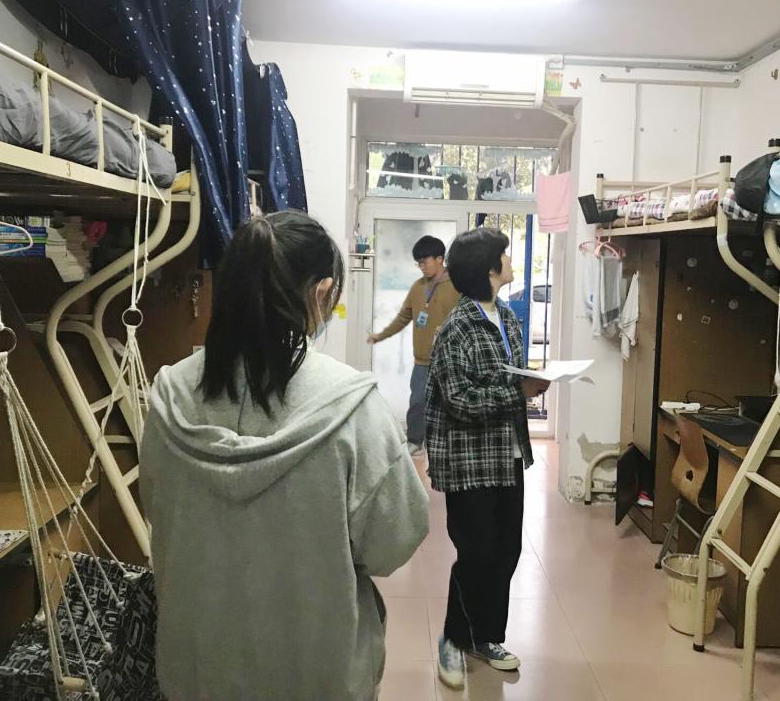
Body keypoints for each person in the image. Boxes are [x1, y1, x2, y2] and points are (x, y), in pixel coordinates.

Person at [140, 211, 429, 701]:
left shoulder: (170, 395)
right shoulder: (352, 406)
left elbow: (158, 508)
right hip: (316, 673)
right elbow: (392, 543)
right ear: (320, 293)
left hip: (197, 669)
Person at [424, 227, 551, 690]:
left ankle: (486, 637)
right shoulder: (455, 330)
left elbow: (509, 377)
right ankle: (453, 639)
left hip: (507, 454)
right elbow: (460, 400)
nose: (511, 262)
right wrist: (518, 392)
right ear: (489, 269)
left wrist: (533, 381)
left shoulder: (509, 318)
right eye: (505, 256)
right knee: (475, 552)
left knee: (506, 551)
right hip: (469, 461)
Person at [368, 235, 459, 456]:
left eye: (424, 262)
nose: (421, 267)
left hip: (451, 360)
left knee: (452, 404)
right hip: (423, 361)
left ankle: (449, 445)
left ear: (440, 259)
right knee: (417, 401)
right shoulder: (418, 287)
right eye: (418, 263)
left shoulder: (458, 285)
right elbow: (403, 317)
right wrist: (381, 336)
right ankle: (415, 441)